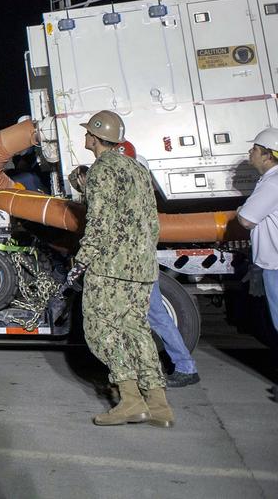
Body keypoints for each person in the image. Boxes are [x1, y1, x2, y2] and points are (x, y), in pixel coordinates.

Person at [71, 110, 172, 427]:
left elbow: (98, 224)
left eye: (88, 132)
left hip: (110, 268)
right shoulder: (138, 168)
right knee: (137, 329)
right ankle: (158, 404)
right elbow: (151, 221)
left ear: (95, 138)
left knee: (102, 330)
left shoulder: (101, 171)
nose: (85, 136)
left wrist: (81, 261)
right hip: (142, 267)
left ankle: (130, 401)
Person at [111, 141, 200, 387]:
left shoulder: (131, 195)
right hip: (139, 264)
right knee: (150, 316)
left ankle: (183, 367)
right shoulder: (142, 192)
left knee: (155, 316)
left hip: (135, 266)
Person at [237, 128, 278, 335]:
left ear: (267, 155)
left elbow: (246, 220)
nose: (250, 152)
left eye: (255, 149)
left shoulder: (272, 183)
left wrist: (239, 211)